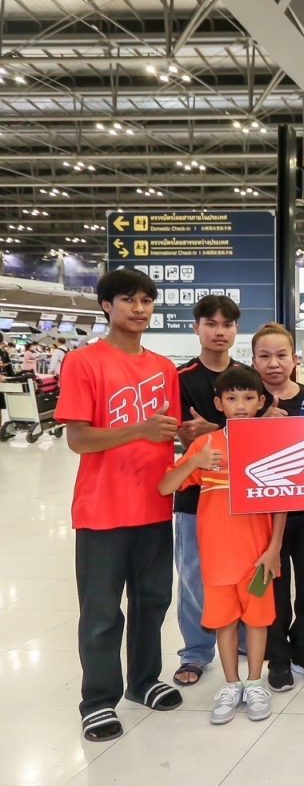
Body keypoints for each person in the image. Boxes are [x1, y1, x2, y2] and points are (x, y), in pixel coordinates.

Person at [57, 268, 183, 742]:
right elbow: (78, 439)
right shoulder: (84, 362)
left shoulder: (164, 368)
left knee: (153, 601)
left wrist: (189, 434)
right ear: (106, 305)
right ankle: (98, 700)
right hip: (102, 510)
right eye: (129, 299)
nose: (139, 308)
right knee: (102, 612)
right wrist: (139, 430)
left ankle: (144, 681)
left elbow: (167, 432)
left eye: (146, 300)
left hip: (154, 505)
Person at [159, 366, 286, 725]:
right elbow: (166, 486)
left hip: (258, 557)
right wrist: (195, 462)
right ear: (219, 404)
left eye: (248, 397)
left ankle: (255, 683)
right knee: (224, 621)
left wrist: (274, 548)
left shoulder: (269, 444)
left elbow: (282, 502)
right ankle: (232, 685)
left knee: (257, 621)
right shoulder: (206, 445)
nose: (240, 405)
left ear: (261, 402)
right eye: (231, 398)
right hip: (217, 557)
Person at [251, 323, 304, 691]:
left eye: (281, 355)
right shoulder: (247, 402)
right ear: (253, 360)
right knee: (273, 585)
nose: (274, 363)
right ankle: (278, 655)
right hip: (264, 516)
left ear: (295, 358)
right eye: (265, 356)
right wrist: (258, 424)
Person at [172, 295, 242, 687]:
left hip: (242, 494)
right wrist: (224, 431)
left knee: (244, 570)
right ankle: (196, 652)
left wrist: (214, 429)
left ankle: (244, 640)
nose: (220, 332)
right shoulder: (181, 379)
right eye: (211, 324)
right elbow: (185, 436)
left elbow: (257, 432)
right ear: (196, 327)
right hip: (195, 495)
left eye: (227, 324)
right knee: (194, 575)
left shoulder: (246, 375)